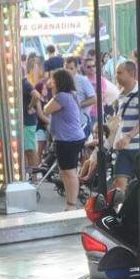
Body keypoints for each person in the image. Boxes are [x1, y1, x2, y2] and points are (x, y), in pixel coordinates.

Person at [44, 68, 87, 210]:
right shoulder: (71, 95)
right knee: (65, 172)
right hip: (71, 138)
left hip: (67, 140)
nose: (50, 82)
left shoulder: (61, 96)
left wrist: (51, 93)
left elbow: (46, 109)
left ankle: (72, 205)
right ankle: (70, 202)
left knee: (69, 173)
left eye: (53, 80)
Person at [113, 61, 140, 194]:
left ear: (131, 74)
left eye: (120, 73)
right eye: (116, 73)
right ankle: (127, 208)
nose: (117, 76)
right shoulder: (120, 95)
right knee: (120, 181)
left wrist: (128, 136)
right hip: (124, 149)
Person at [22, 73, 43, 169]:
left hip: (27, 122)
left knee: (30, 150)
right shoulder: (23, 84)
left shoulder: (25, 84)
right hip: (25, 122)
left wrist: (29, 107)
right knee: (26, 150)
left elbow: (37, 96)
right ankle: (31, 177)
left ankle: (34, 177)